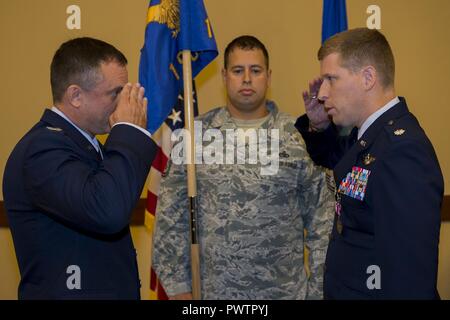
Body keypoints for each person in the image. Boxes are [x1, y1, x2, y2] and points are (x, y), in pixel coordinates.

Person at [152, 35, 334, 300]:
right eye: (238, 71)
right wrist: (180, 291)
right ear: (225, 76)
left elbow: (323, 223)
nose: (247, 79)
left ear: (268, 77)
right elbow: (171, 220)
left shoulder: (299, 136)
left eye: (255, 70)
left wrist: (318, 292)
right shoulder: (194, 136)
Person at [2, 37, 157, 299]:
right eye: (115, 93)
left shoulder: (84, 145)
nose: (124, 103)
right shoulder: (42, 150)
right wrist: (129, 131)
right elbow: (108, 210)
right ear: (75, 96)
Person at [295, 28, 443, 299]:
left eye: (331, 79)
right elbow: (335, 159)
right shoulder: (367, 136)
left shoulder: (402, 150)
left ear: (367, 78)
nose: (322, 93)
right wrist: (318, 125)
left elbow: (408, 277)